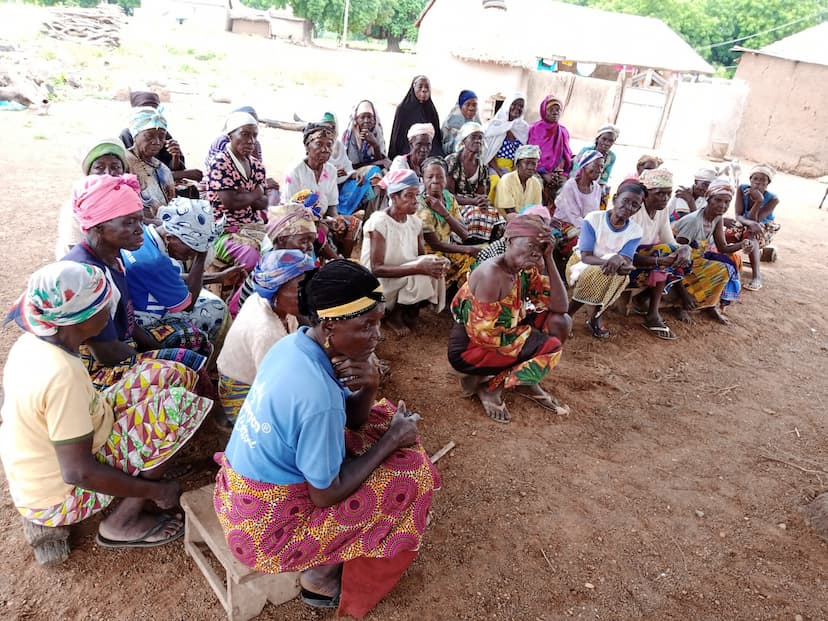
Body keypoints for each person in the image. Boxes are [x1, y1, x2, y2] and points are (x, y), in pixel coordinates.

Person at [214, 259, 440, 615]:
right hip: (268, 531)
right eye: (366, 326)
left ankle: (328, 564)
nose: (376, 336)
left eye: (377, 323)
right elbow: (325, 494)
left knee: (379, 419)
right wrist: (392, 441)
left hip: (239, 496)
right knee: (410, 477)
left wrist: (371, 385)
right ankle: (320, 578)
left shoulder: (294, 346)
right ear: (330, 325)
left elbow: (352, 420)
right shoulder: (317, 397)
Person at [0, 261, 211, 547]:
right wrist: (155, 490)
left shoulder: (34, 343)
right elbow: (78, 472)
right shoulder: (62, 375)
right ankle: (123, 521)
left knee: (170, 373)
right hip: (59, 498)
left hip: (81, 438)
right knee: (177, 408)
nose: (109, 314)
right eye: (105, 307)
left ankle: (153, 463)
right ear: (85, 318)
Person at [63, 174, 210, 389]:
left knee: (195, 345)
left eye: (140, 220)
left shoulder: (113, 259)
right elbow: (105, 351)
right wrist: (158, 360)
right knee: (184, 370)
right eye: (129, 222)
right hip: (87, 369)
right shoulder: (88, 276)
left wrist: (155, 349)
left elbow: (126, 320)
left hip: (119, 343)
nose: (140, 229)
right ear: (98, 227)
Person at [448, 214, 571, 423]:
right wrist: (533, 342)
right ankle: (491, 388)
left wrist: (549, 258)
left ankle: (524, 379)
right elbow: (484, 337)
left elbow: (560, 306)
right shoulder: (492, 275)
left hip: (501, 333)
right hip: (470, 349)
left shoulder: (524, 269)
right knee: (550, 347)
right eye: (531, 244)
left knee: (561, 322)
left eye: (541, 247)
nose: (535, 252)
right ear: (509, 240)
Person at [121, 197, 241, 343]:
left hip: (130, 307)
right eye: (192, 250)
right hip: (139, 322)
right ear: (170, 238)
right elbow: (187, 306)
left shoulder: (144, 235)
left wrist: (218, 277)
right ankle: (206, 358)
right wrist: (201, 257)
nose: (192, 256)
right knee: (216, 309)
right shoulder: (156, 262)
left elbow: (168, 278)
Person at [216, 249, 315, 424]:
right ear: (276, 292)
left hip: (246, 376)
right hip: (242, 391)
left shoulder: (264, 300)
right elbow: (275, 389)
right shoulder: (267, 331)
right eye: (301, 289)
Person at [361, 169, 449, 336]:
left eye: (416, 195)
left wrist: (437, 263)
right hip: (378, 283)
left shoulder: (415, 222)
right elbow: (376, 269)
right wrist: (419, 268)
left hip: (401, 276)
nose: (415, 201)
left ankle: (408, 312)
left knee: (433, 266)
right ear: (393, 197)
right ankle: (393, 316)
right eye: (408, 195)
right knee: (421, 273)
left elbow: (420, 257)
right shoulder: (379, 223)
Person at [565, 180, 644, 338]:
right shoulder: (594, 219)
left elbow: (626, 258)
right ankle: (568, 314)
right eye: (625, 201)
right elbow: (586, 256)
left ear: (638, 209)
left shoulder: (636, 230)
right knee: (601, 273)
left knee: (622, 277)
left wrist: (623, 265)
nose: (628, 207)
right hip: (580, 264)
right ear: (615, 199)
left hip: (610, 266)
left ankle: (596, 316)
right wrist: (612, 260)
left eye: (634, 205)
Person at [673, 179, 753, 323]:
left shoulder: (717, 217)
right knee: (716, 269)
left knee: (727, 267)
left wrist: (744, 244)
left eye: (727, 202)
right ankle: (680, 304)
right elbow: (675, 256)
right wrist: (683, 293)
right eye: (718, 200)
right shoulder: (693, 221)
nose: (723, 205)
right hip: (680, 260)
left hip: (695, 258)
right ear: (708, 199)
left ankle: (709, 305)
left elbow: (723, 248)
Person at [629, 168, 692, 340]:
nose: (665, 198)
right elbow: (626, 253)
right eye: (659, 193)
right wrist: (659, 259)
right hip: (626, 263)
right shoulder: (634, 210)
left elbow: (669, 240)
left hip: (648, 260)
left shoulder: (661, 210)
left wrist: (684, 249)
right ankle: (652, 314)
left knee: (683, 253)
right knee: (664, 252)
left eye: (668, 193)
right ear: (646, 193)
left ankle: (645, 299)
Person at [229, 200, 320, 317]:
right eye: (303, 240)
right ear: (281, 239)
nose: (309, 246)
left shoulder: (289, 262)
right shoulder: (274, 269)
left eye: (311, 240)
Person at [285, 123, 361, 258]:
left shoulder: (330, 170)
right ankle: (337, 261)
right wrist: (322, 222)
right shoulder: (295, 171)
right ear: (307, 146)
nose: (325, 149)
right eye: (319, 144)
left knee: (353, 224)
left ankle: (345, 258)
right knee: (321, 230)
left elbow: (332, 204)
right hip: (297, 221)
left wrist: (336, 218)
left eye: (329, 145)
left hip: (323, 217)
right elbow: (291, 211)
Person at [207, 110, 269, 272]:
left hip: (253, 226)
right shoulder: (220, 162)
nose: (251, 141)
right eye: (245, 134)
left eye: (254, 136)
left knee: (285, 243)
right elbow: (231, 203)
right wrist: (256, 193)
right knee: (251, 257)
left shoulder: (257, 165)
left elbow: (264, 203)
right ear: (230, 136)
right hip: (223, 231)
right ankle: (245, 296)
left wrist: (245, 196)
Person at [55, 137, 129, 260]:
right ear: (88, 172)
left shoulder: (125, 199)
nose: (108, 174)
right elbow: (76, 254)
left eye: (115, 167)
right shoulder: (75, 209)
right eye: (99, 167)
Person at [417, 157, 481, 288]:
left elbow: (464, 234)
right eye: (430, 177)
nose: (435, 181)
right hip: (429, 254)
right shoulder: (421, 206)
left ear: (446, 179)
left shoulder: (449, 198)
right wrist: (468, 249)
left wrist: (444, 213)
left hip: (448, 248)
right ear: (423, 179)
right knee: (471, 260)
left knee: (479, 260)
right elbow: (435, 245)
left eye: (440, 176)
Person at [119, 90, 202, 185]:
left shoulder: (161, 134)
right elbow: (141, 177)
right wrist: (181, 174)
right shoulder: (126, 139)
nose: (157, 141)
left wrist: (175, 156)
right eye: (146, 112)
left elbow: (170, 168)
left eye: (155, 110)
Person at [728, 164, 781, 291]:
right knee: (729, 232)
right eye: (755, 179)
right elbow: (738, 215)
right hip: (746, 222)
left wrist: (758, 201)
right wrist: (749, 223)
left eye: (763, 180)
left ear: (768, 183)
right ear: (750, 179)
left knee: (752, 235)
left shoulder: (773, 199)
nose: (758, 183)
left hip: (763, 226)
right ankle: (719, 259)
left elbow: (756, 220)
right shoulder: (742, 189)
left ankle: (757, 277)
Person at [320, 112, 381, 218]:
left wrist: (354, 174)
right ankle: (339, 213)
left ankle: (362, 213)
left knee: (373, 173)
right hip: (323, 190)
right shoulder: (316, 149)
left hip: (342, 188)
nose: (329, 130)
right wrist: (332, 174)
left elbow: (348, 168)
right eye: (325, 127)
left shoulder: (339, 146)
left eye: (332, 127)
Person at [124, 105, 176, 219]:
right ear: (135, 135)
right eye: (149, 136)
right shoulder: (123, 163)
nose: (157, 142)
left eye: (162, 136)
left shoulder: (162, 169)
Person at [551, 149, 604, 257]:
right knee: (586, 242)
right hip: (564, 224)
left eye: (601, 167)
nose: (599, 170)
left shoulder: (597, 188)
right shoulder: (571, 186)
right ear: (584, 166)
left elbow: (595, 214)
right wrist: (594, 231)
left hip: (584, 225)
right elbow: (573, 217)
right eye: (595, 166)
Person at [527, 95, 572, 205]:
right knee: (536, 184)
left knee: (566, 188)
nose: (555, 113)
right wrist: (544, 173)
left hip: (557, 171)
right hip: (536, 169)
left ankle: (558, 218)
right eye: (551, 110)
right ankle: (536, 214)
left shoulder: (563, 131)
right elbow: (530, 155)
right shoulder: (534, 129)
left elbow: (565, 154)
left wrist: (559, 172)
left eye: (557, 110)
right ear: (543, 111)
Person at [388, 75, 443, 159]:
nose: (424, 90)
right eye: (420, 87)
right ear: (413, 88)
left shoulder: (431, 110)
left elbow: (436, 138)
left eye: (427, 87)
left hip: (429, 147)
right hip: (409, 147)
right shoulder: (403, 109)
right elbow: (397, 137)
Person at [571, 124, 620, 210]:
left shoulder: (611, 156)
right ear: (598, 138)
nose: (607, 143)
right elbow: (576, 169)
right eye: (604, 139)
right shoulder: (586, 150)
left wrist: (598, 189)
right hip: (580, 178)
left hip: (596, 182)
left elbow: (605, 176)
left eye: (611, 141)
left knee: (603, 196)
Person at [483, 92, 530, 178]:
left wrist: (514, 172)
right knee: (495, 182)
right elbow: (489, 152)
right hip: (494, 167)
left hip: (514, 169)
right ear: (507, 105)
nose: (517, 108)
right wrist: (499, 172)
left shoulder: (523, 128)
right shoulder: (496, 125)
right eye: (514, 104)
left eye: (521, 106)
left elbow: (521, 155)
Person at [341, 99, 391, 170]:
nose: (366, 121)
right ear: (356, 119)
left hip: (373, 168)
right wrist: (377, 163)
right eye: (362, 117)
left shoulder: (377, 131)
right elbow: (353, 165)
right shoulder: (351, 134)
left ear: (374, 119)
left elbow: (382, 161)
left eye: (369, 117)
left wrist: (375, 145)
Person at [389, 122, 434, 190]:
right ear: (411, 144)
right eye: (419, 144)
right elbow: (400, 189)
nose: (424, 149)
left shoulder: (431, 166)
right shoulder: (400, 162)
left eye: (428, 145)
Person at [441, 89, 481, 154]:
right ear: (460, 106)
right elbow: (445, 147)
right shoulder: (451, 124)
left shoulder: (477, 124)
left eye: (474, 105)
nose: (471, 108)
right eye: (467, 104)